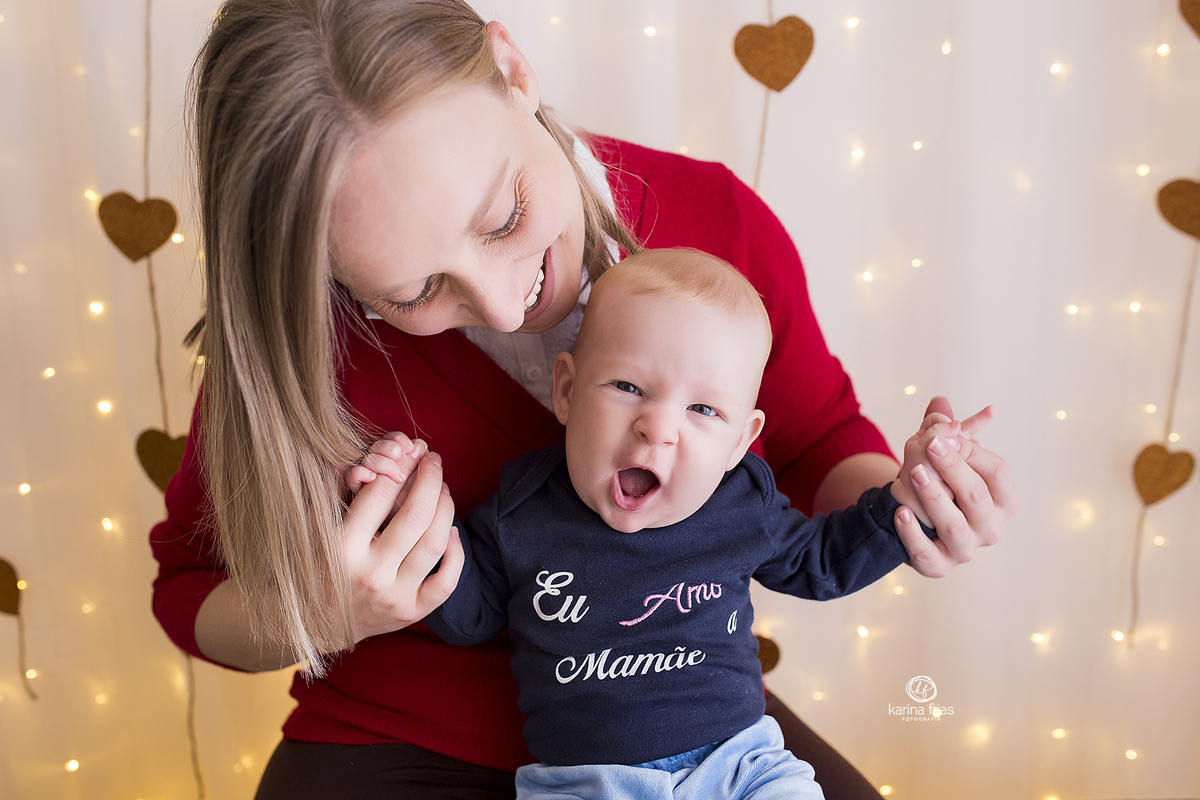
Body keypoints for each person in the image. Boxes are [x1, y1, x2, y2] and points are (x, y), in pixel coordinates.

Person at [150, 1, 1017, 797]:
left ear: (514, 70)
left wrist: (921, 498)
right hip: (389, 746)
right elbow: (190, 595)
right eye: (411, 292)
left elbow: (817, 444)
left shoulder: (714, 218)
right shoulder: (302, 338)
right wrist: (326, 609)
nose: (500, 302)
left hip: (686, 726)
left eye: (500, 217)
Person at [349, 248, 978, 800]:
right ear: (566, 391)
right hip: (586, 781)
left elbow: (822, 562)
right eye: (627, 386)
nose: (659, 426)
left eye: (703, 409)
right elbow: (471, 611)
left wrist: (911, 499)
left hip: (741, 764)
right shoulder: (523, 509)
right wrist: (412, 520)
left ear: (740, 440)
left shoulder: (740, 503)